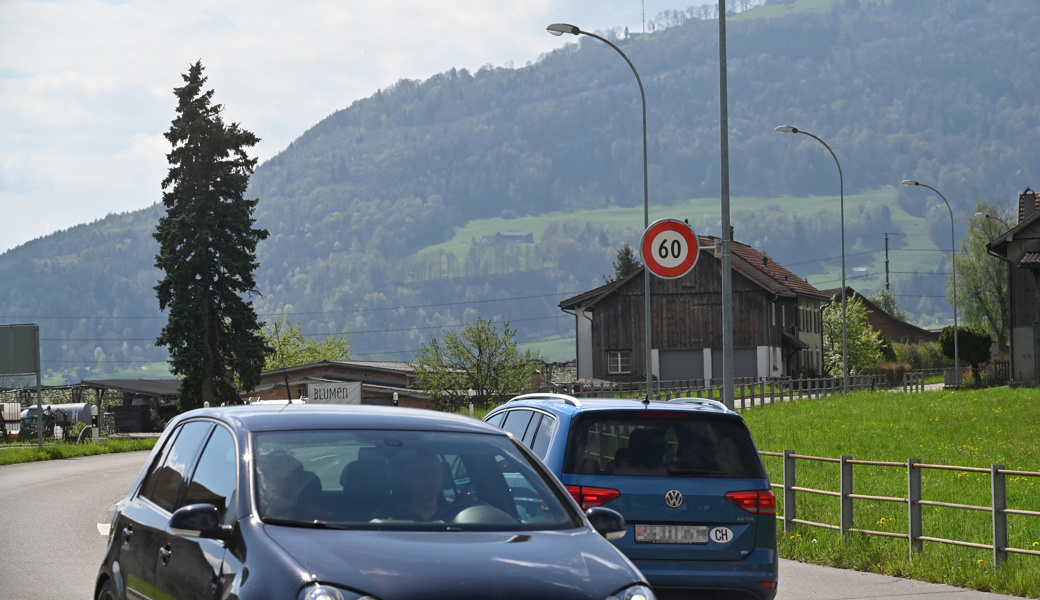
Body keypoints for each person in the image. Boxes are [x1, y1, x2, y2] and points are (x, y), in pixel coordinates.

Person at [374, 451, 448, 521]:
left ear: (442, 476)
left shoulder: (456, 514)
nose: (430, 479)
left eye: (434, 472)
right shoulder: (384, 519)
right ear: (405, 478)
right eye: (421, 472)